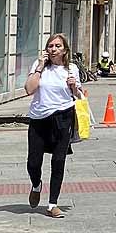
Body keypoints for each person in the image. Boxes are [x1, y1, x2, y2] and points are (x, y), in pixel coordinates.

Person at [24, 33, 80, 218]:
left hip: (63, 118)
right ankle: (36, 185)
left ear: (65, 50)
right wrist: (40, 67)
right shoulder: (39, 66)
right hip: (39, 119)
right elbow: (29, 89)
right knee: (33, 161)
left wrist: (73, 87)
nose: (53, 49)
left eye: (57, 46)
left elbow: (78, 96)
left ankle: (52, 204)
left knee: (58, 161)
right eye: (50, 46)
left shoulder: (71, 69)